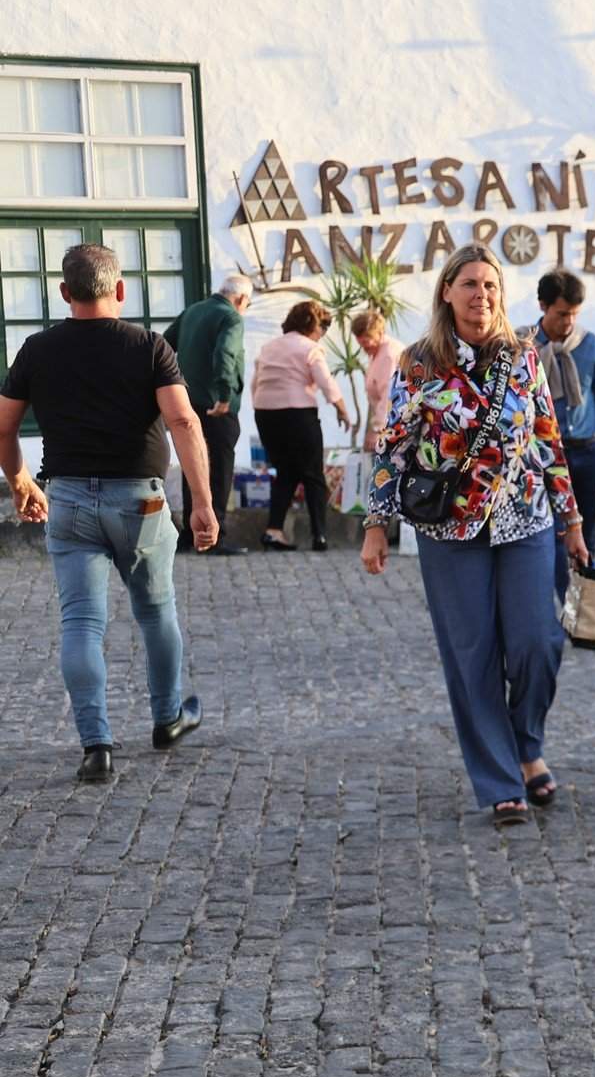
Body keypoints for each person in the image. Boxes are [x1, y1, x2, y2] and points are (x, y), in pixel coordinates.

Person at [360, 244, 587, 827]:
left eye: (490, 286)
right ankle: (501, 779)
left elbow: (548, 441)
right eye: (469, 284)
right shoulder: (419, 363)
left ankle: (527, 743)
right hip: (450, 528)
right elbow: (392, 448)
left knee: (539, 641)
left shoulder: (524, 358)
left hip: (525, 519)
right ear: (446, 292)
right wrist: (376, 527)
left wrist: (572, 522)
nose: (480, 296)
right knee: (473, 654)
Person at [0, 243, 212, 783]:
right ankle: (166, 719)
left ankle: (96, 746)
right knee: (156, 611)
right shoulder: (149, 346)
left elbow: (3, 428)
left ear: (65, 293)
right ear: (120, 290)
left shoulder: (36, 349)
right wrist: (203, 504)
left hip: (68, 499)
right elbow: (184, 423)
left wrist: (21, 481)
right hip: (140, 500)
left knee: (81, 623)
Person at [523, 269, 595, 600]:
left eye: (574, 315)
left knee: (585, 530)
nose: (568, 322)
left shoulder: (589, 344)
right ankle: (554, 599)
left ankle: (585, 602)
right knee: (549, 531)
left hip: (585, 452)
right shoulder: (523, 347)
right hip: (542, 456)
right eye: (561, 313)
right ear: (543, 306)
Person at [251, 300, 351, 551]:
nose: (322, 334)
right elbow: (325, 381)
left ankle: (273, 531)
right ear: (313, 325)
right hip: (298, 414)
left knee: (284, 472)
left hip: (266, 414)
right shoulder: (310, 348)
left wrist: (262, 407)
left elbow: (256, 383)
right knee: (313, 474)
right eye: (323, 328)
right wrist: (341, 409)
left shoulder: (269, 347)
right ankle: (320, 535)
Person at [166, 273, 252, 555]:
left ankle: (190, 536)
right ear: (241, 299)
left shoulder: (193, 311)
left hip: (188, 403)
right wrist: (225, 394)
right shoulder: (231, 317)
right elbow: (225, 354)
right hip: (217, 407)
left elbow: (165, 345)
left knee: (194, 467)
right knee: (219, 470)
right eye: (247, 304)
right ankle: (215, 536)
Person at [352, 309, 398, 451]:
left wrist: (378, 430)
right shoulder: (377, 353)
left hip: (394, 425)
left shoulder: (387, 355)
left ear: (380, 332)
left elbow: (388, 396)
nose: (366, 345)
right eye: (362, 342)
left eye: (368, 339)